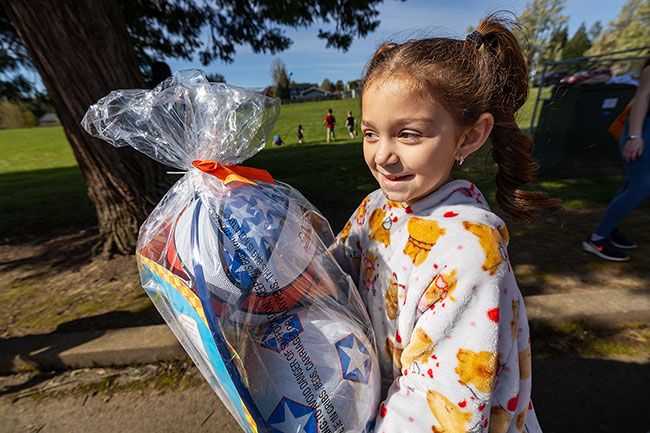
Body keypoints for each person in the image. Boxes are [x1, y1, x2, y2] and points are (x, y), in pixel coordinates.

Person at [331, 16, 558, 433]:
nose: (383, 155)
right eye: (370, 133)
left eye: (409, 134)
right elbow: (331, 275)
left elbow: (438, 408)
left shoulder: (470, 252)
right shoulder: (376, 207)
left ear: (469, 138)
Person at [582, 58, 650, 261]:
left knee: (632, 184)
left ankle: (609, 228)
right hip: (644, 131)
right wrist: (635, 136)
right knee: (642, 186)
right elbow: (642, 98)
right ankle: (597, 238)